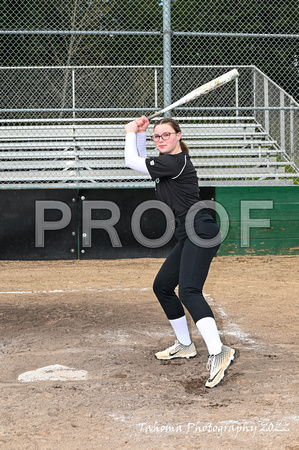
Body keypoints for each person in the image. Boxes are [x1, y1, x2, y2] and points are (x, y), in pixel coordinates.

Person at [124, 115, 236, 388]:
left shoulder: (176, 161)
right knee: (162, 286)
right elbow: (141, 159)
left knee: (189, 291)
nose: (160, 140)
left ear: (178, 136)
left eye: (165, 135)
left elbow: (131, 161)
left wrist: (128, 132)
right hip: (188, 234)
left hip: (201, 230)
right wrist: (140, 133)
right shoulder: (166, 163)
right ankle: (185, 344)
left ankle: (219, 352)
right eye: (156, 137)